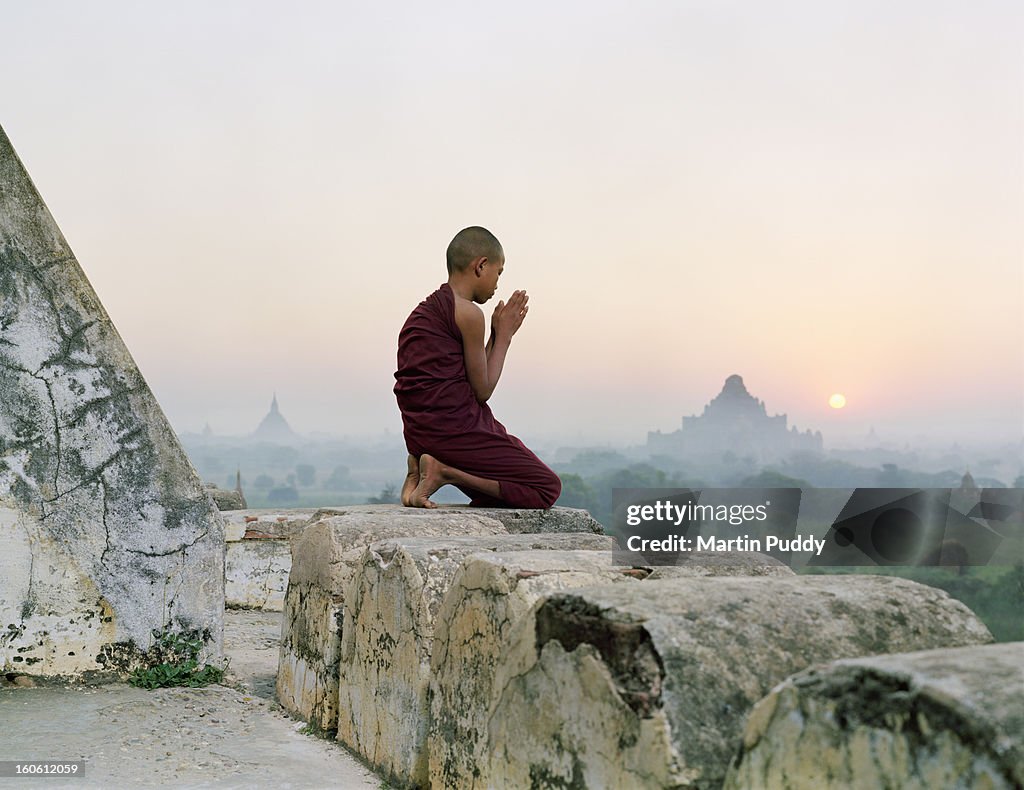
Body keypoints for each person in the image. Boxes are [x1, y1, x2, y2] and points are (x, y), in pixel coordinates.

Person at [393, 226, 562, 509]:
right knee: (545, 488)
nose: (497, 283)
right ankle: (445, 471)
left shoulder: (424, 311)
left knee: (494, 495)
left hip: (419, 434)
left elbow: (466, 379)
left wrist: (494, 334)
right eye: (499, 272)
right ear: (481, 265)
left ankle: (420, 469)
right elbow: (482, 390)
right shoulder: (468, 313)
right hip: (454, 433)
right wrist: (505, 337)